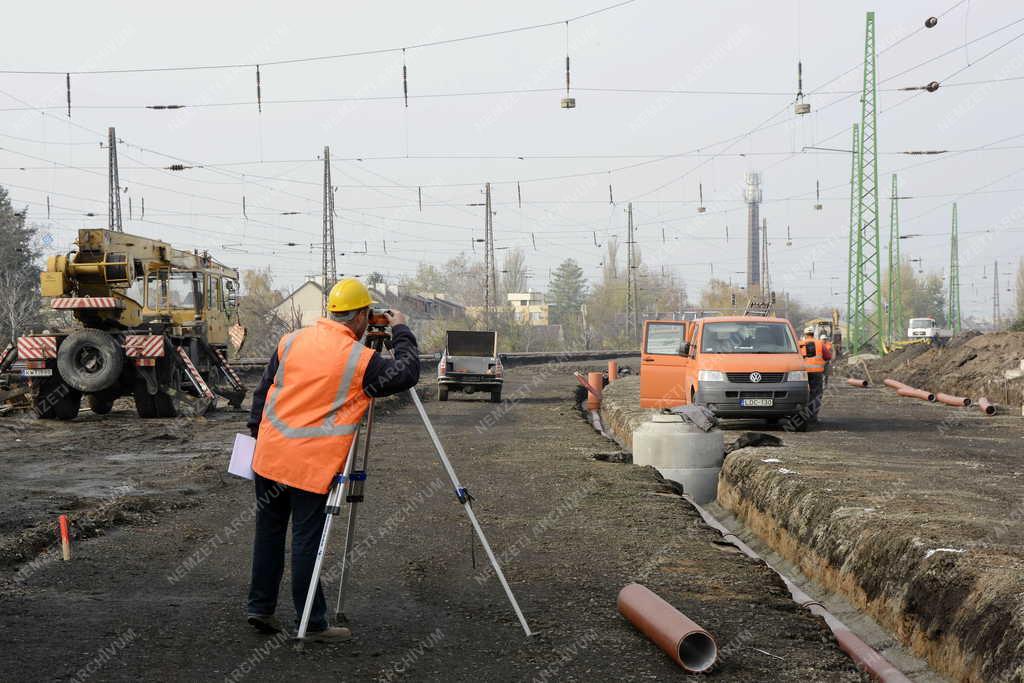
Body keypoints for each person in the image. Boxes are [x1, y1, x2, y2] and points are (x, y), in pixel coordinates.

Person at [244, 278, 420, 641]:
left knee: (270, 536)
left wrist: (256, 436)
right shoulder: (361, 359)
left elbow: (263, 392)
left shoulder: (291, 340)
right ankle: (313, 624)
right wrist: (401, 329)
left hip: (269, 455)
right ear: (359, 319)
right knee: (307, 542)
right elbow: (407, 372)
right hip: (310, 465)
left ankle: (260, 608)